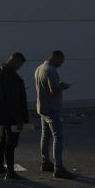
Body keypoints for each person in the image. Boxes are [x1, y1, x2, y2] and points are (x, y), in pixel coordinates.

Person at [34, 51, 76, 179]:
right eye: (61, 61)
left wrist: (58, 85)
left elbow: (47, 87)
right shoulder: (51, 70)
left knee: (45, 136)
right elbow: (53, 91)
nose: (61, 64)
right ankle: (58, 168)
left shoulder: (39, 68)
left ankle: (45, 162)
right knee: (58, 137)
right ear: (56, 58)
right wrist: (63, 87)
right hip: (52, 109)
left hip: (42, 107)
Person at [0, 53, 29, 179]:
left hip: (4, 115)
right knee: (10, 143)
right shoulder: (8, 76)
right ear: (14, 61)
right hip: (11, 116)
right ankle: (10, 172)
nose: (19, 67)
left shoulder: (0, 73)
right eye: (19, 64)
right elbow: (12, 100)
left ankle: (0, 168)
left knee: (3, 141)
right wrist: (19, 119)